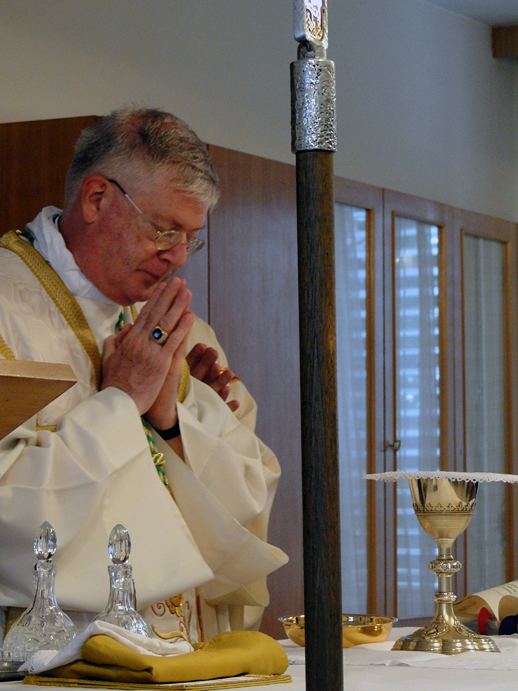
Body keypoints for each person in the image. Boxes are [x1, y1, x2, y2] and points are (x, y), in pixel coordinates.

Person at [0, 107, 288, 643]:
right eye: (163, 230)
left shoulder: (180, 329)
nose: (178, 257)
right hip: (50, 660)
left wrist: (170, 419)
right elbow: (11, 516)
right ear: (97, 199)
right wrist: (119, 403)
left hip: (180, 651)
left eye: (190, 237)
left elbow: (251, 488)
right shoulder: (6, 309)